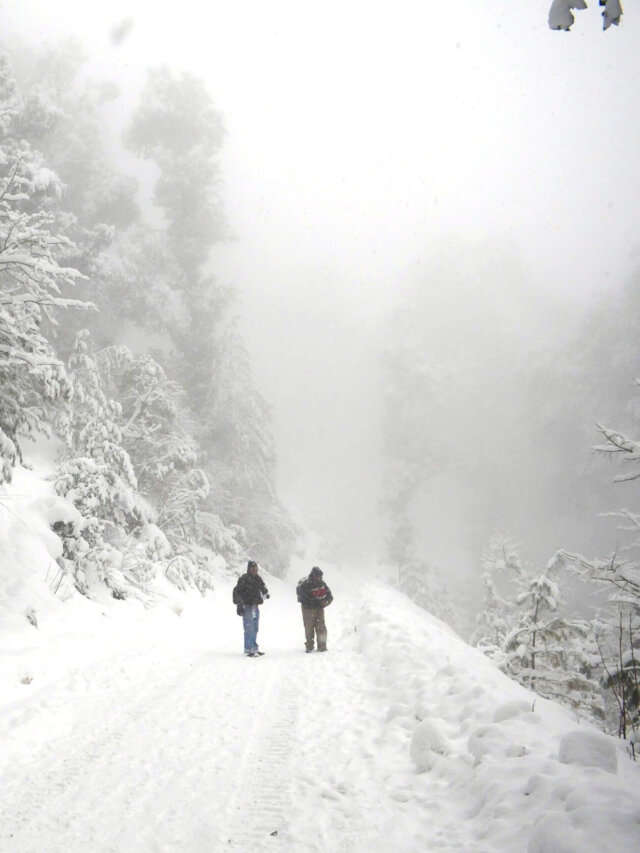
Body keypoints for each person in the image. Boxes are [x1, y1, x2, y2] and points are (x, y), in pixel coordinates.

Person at [233, 560, 270, 657]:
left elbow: (262, 587)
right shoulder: (244, 579)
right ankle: (248, 649)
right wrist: (239, 604)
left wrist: (266, 593)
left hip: (255, 606)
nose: (255, 570)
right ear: (249, 569)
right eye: (252, 568)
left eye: (256, 568)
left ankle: (254, 648)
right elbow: (236, 592)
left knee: (255, 628)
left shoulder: (258, 578)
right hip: (247, 606)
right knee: (249, 628)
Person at [296, 566, 333, 652]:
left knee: (321, 627)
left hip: (320, 608)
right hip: (307, 610)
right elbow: (305, 599)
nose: (320, 578)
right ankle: (309, 646)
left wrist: (326, 602)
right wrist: (319, 602)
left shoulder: (322, 584)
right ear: (313, 575)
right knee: (309, 627)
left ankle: (322, 646)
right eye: (318, 576)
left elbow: (330, 596)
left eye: (321, 576)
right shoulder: (305, 585)